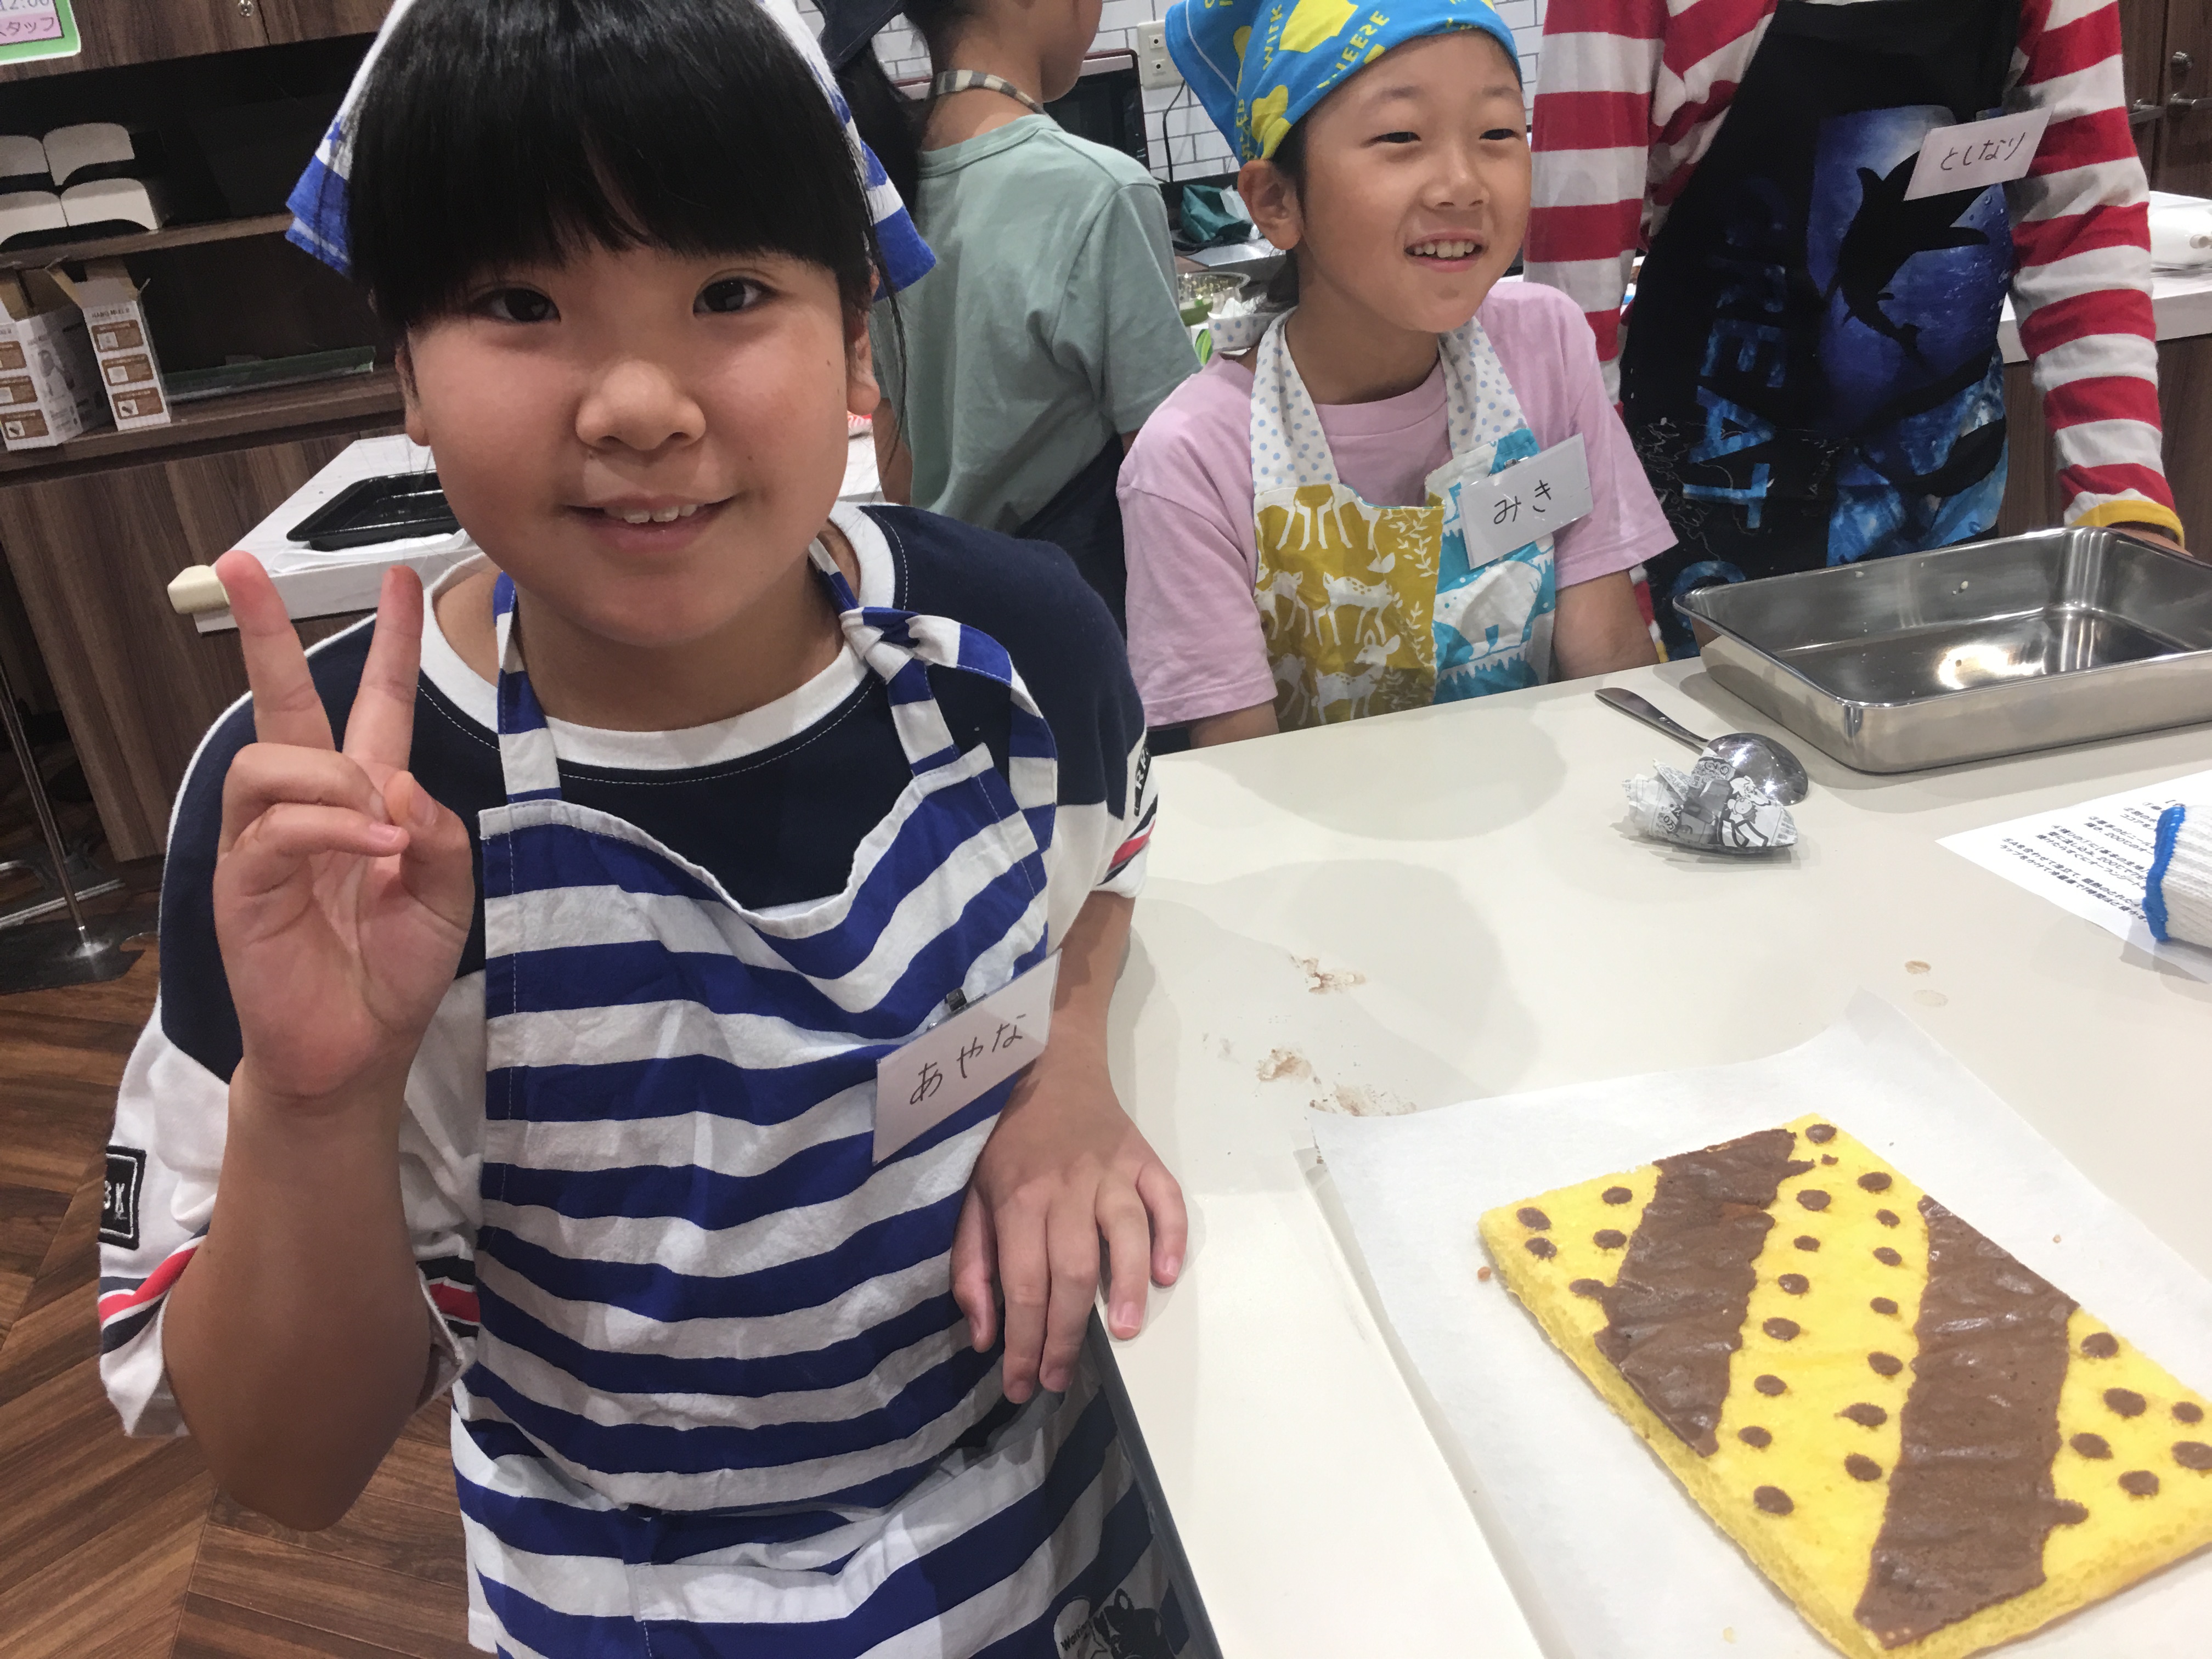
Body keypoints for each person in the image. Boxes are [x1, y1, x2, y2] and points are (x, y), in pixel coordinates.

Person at [99, 3, 1191, 1654]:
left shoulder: (1021, 644)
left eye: (730, 293)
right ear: (403, 367)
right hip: (629, 1599)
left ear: (859, 333)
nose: (636, 403)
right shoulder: (317, 813)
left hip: (1070, 1538)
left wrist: (1070, 1067)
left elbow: (1109, 865)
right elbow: (290, 1466)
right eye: (520, 303)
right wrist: (320, 1108)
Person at [1526, 0, 2188, 658]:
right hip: (1715, 494)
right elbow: (1570, 329)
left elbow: (2080, 215)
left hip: (1947, 493)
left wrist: (2124, 505)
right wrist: (1611, 583)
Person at [1119, 0, 1671, 745]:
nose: (1462, 185)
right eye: (1402, 137)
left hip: (1545, 803)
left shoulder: (1545, 344)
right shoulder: (1193, 458)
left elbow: (1605, 658)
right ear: (1276, 201)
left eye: (1497, 133)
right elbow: (1239, 770)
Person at [823, 0, 1197, 629]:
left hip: (956, 621)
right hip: (1085, 623)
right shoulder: (1100, 189)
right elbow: (1170, 478)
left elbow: (902, 477)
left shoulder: (884, 202)